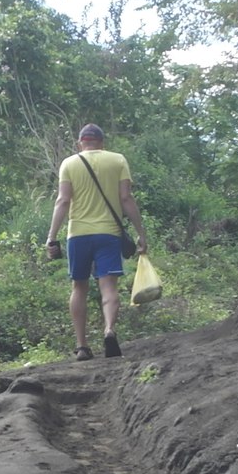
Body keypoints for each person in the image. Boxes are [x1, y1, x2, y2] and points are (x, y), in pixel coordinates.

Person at [44, 123, 145, 361]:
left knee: (79, 287)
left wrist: (51, 237)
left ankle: (81, 346)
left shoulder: (69, 163)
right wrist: (141, 232)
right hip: (108, 234)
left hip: (77, 234)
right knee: (108, 286)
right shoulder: (118, 160)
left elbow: (63, 201)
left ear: (81, 143)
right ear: (102, 142)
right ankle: (109, 329)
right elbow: (126, 198)